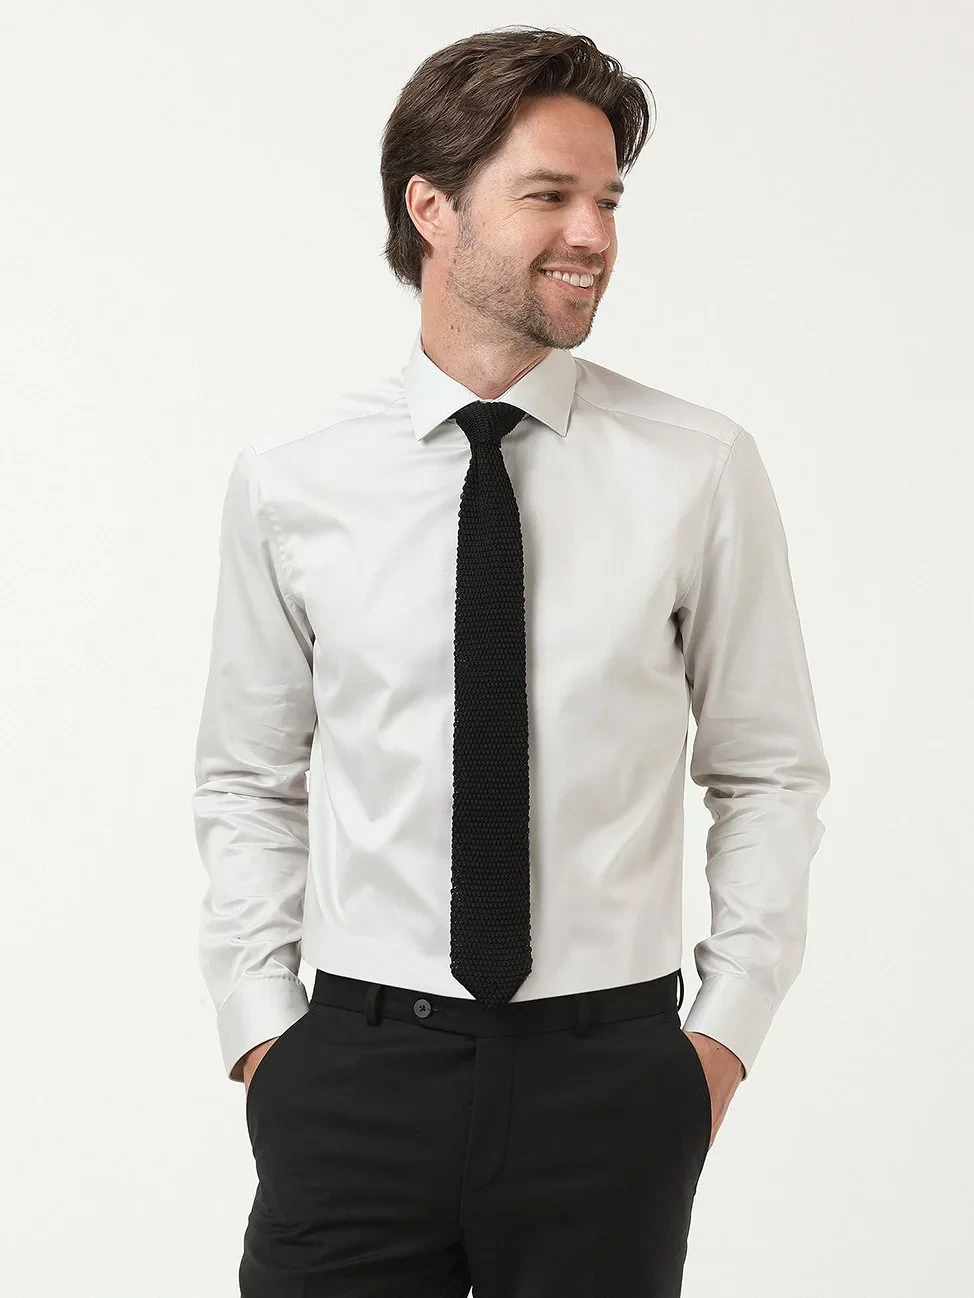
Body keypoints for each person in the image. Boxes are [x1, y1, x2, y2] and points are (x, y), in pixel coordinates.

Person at [192, 24, 830, 1297]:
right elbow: (248, 776)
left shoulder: (697, 467)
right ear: (430, 207)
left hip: (612, 1085)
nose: (591, 234)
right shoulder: (291, 477)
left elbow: (767, 771)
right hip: (355, 1076)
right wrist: (265, 1036)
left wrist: (715, 1041)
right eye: (548, 195)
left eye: (607, 200)